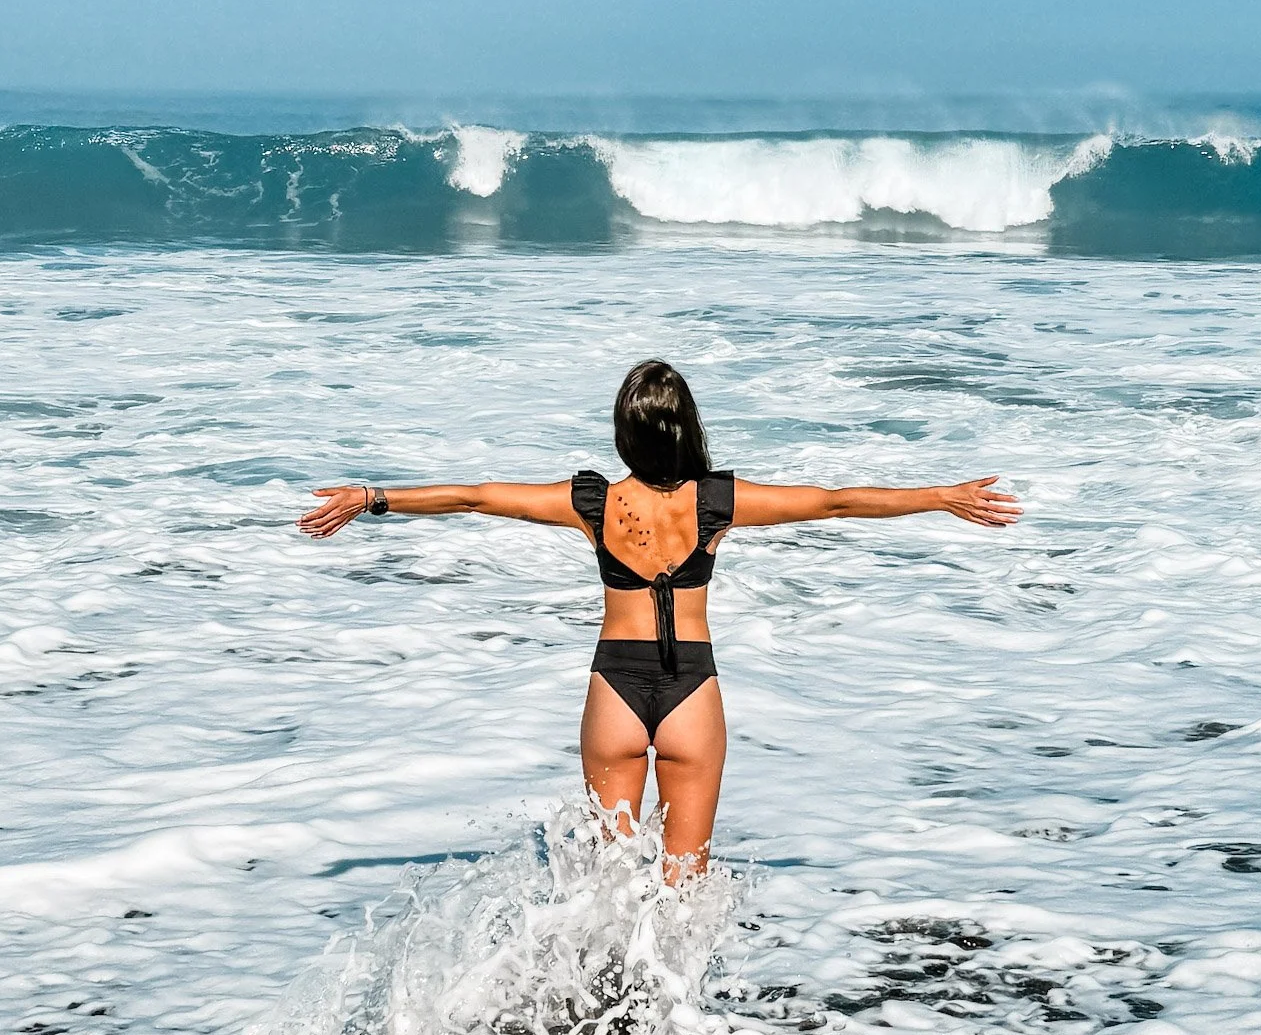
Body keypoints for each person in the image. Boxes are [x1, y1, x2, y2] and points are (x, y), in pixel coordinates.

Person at [299, 360, 1021, 881]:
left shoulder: (591, 502)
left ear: (624, 434)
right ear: (687, 430)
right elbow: (833, 501)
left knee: (604, 888)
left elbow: (480, 496)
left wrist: (375, 496)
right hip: (691, 696)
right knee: (684, 889)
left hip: (613, 690)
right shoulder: (716, 501)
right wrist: (940, 495)